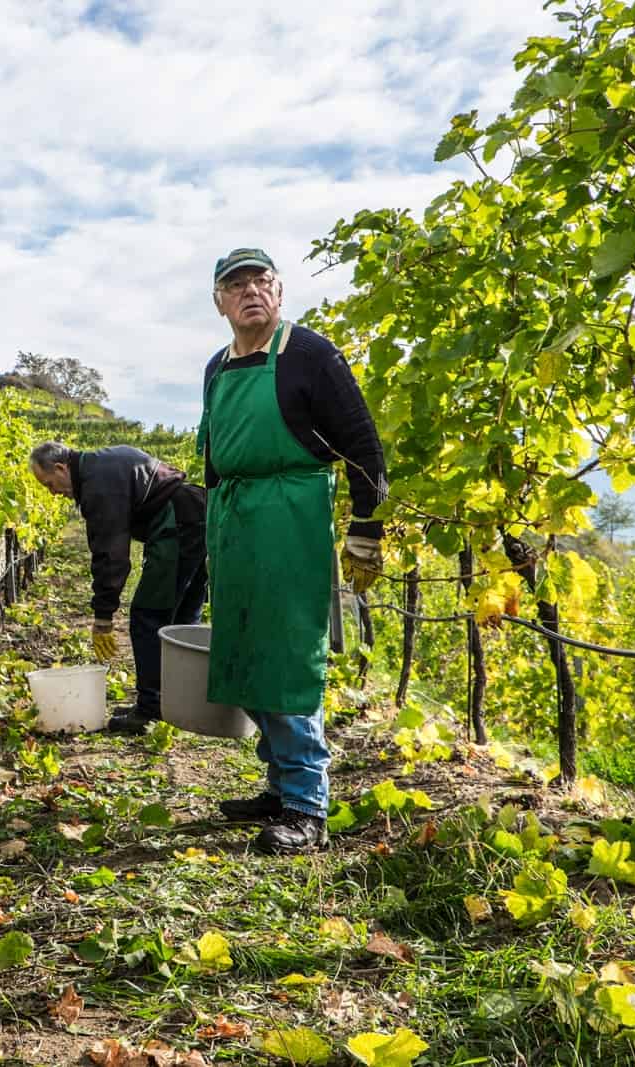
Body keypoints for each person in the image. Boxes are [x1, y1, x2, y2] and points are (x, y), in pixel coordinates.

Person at [197, 248, 387, 854]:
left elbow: (363, 443)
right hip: (233, 518)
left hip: (290, 514)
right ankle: (279, 786)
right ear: (219, 301)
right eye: (236, 284)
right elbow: (214, 453)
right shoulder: (217, 367)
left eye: (262, 281)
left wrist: (366, 527)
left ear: (279, 294)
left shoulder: (309, 353)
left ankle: (308, 805)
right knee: (246, 649)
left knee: (288, 654)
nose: (250, 291)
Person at [29, 442, 208, 734]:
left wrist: (103, 616)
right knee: (182, 619)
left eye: (50, 484)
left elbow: (110, 554)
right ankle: (177, 703)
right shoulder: (101, 463)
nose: (53, 492)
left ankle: (151, 710)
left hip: (178, 526)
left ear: (61, 468)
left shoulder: (97, 483)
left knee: (147, 616)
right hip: (197, 516)